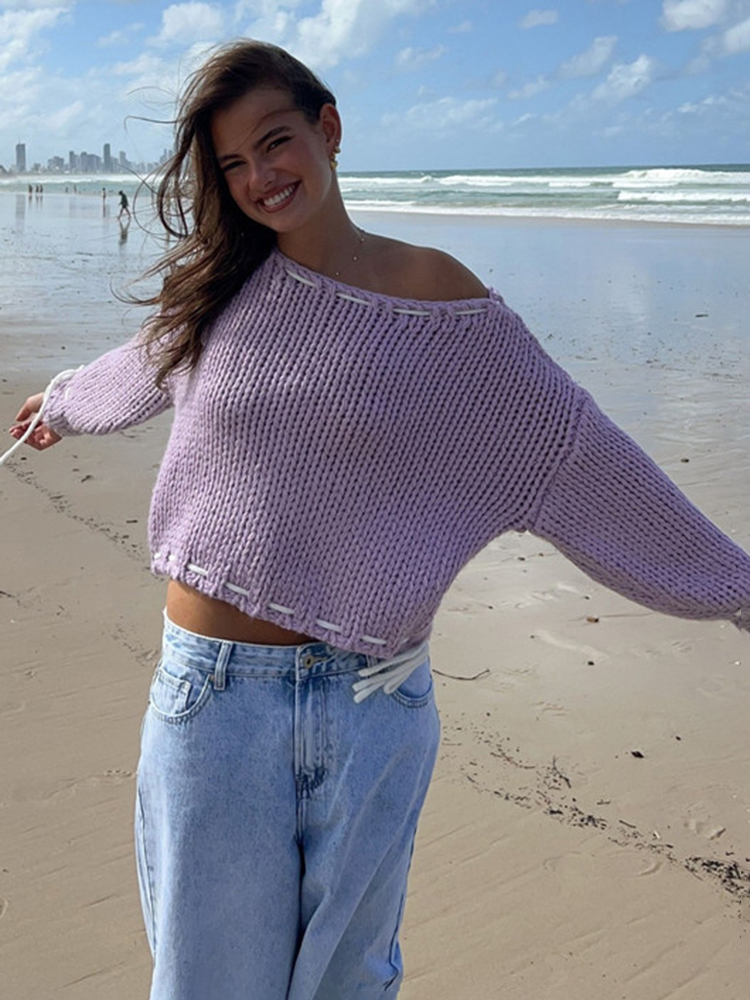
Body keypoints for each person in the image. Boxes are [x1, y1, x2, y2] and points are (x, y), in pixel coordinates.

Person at [7, 39, 750, 1000]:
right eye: (233, 163)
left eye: (275, 142)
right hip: (214, 704)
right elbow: (144, 360)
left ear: (329, 128)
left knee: (347, 987)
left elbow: (579, 457)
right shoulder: (225, 291)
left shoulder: (446, 305)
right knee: (206, 983)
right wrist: (65, 402)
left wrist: (734, 586)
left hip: (374, 710)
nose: (259, 177)